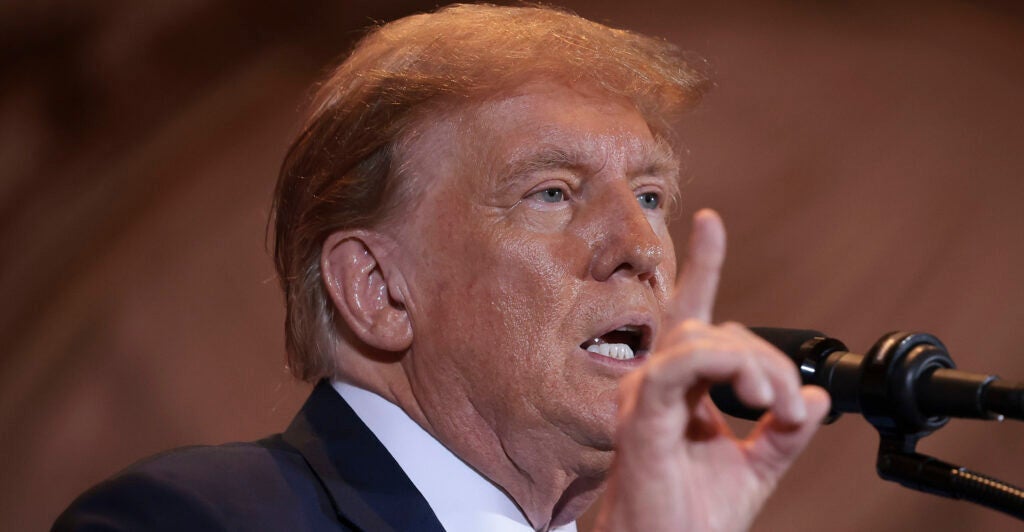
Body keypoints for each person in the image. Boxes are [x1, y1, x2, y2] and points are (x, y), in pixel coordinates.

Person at [54, 4, 830, 531]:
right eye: (552, 192)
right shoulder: (192, 519)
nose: (641, 245)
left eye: (653, 195)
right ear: (379, 290)